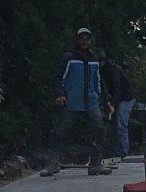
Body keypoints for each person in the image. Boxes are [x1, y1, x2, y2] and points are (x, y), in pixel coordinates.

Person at [46, 26, 106, 176]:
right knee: (60, 132)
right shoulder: (69, 57)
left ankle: (96, 164)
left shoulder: (94, 58)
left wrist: (105, 100)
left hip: (91, 102)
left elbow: (98, 81)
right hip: (72, 102)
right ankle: (53, 163)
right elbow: (58, 77)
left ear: (90, 41)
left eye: (87, 39)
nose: (85, 41)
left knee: (99, 130)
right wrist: (59, 94)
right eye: (82, 39)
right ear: (77, 40)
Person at [101, 51, 135, 160]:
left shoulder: (112, 70)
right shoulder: (105, 70)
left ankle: (124, 151)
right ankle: (116, 151)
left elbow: (117, 88)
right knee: (114, 126)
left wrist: (113, 104)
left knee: (121, 125)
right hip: (118, 99)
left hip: (125, 99)